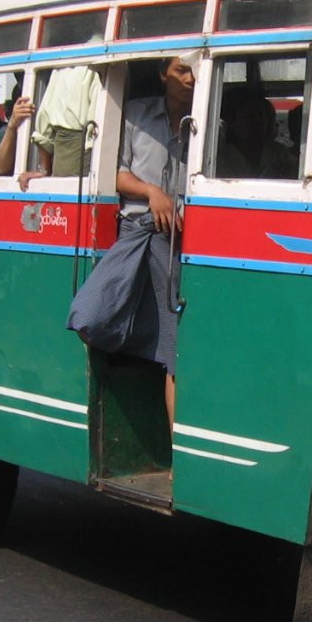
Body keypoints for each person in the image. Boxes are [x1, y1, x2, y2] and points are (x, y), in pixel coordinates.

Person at [66, 54, 195, 425]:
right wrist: (152, 192)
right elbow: (114, 173)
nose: (189, 79)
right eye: (181, 71)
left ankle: (177, 457)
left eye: (194, 72)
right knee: (91, 315)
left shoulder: (204, 123)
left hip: (180, 245)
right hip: (138, 236)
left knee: (176, 351)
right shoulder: (136, 115)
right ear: (162, 75)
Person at [22, 64, 100, 186]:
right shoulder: (68, 65)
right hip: (74, 160)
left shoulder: (64, 64)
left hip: (87, 157)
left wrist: (44, 168)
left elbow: (44, 126)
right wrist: (44, 168)